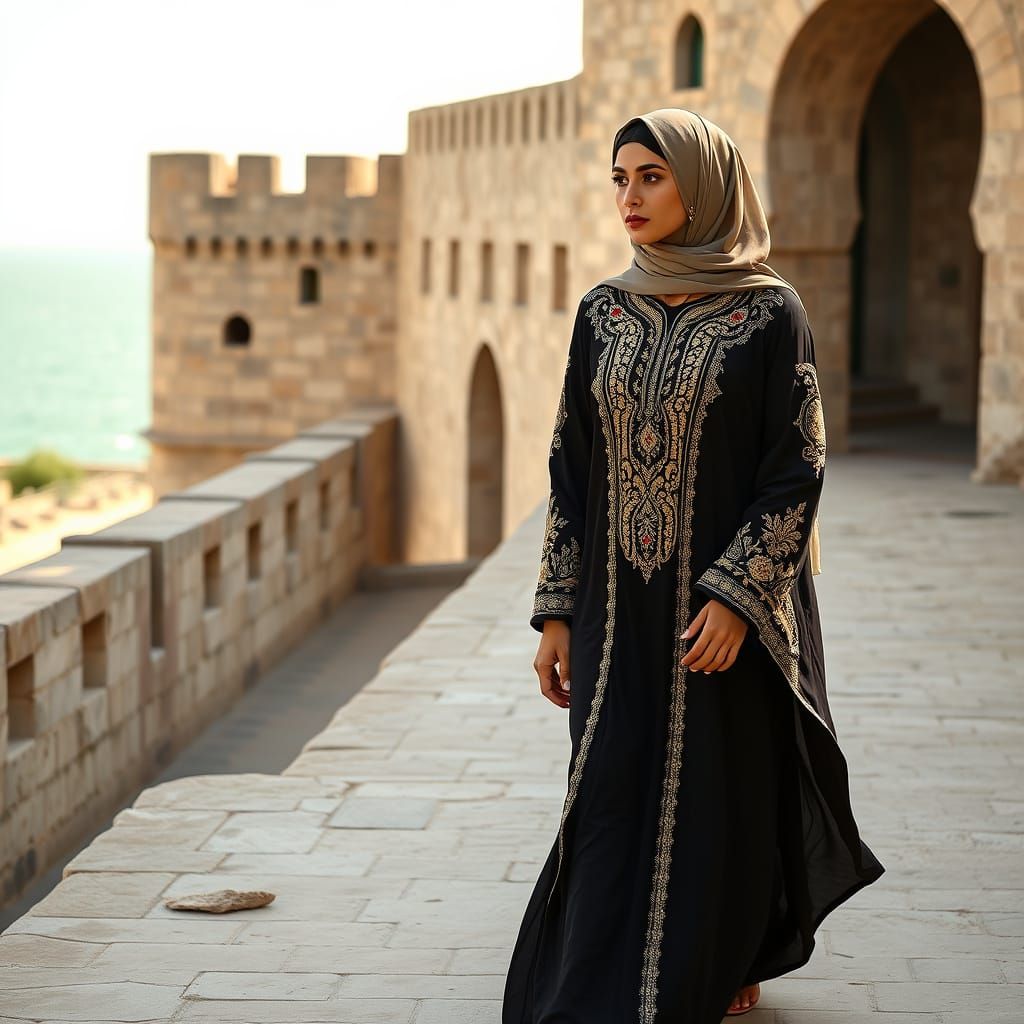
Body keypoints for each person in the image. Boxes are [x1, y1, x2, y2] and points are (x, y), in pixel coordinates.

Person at [501, 108, 885, 1024]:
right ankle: (595, 966)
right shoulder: (603, 311)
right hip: (609, 607)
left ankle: (721, 957)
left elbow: (796, 466)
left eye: (652, 178)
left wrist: (740, 598)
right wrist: (556, 611)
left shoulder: (767, 311)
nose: (630, 198)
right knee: (608, 781)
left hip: (722, 612)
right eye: (620, 179)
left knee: (719, 787)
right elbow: (571, 466)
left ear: (702, 185)